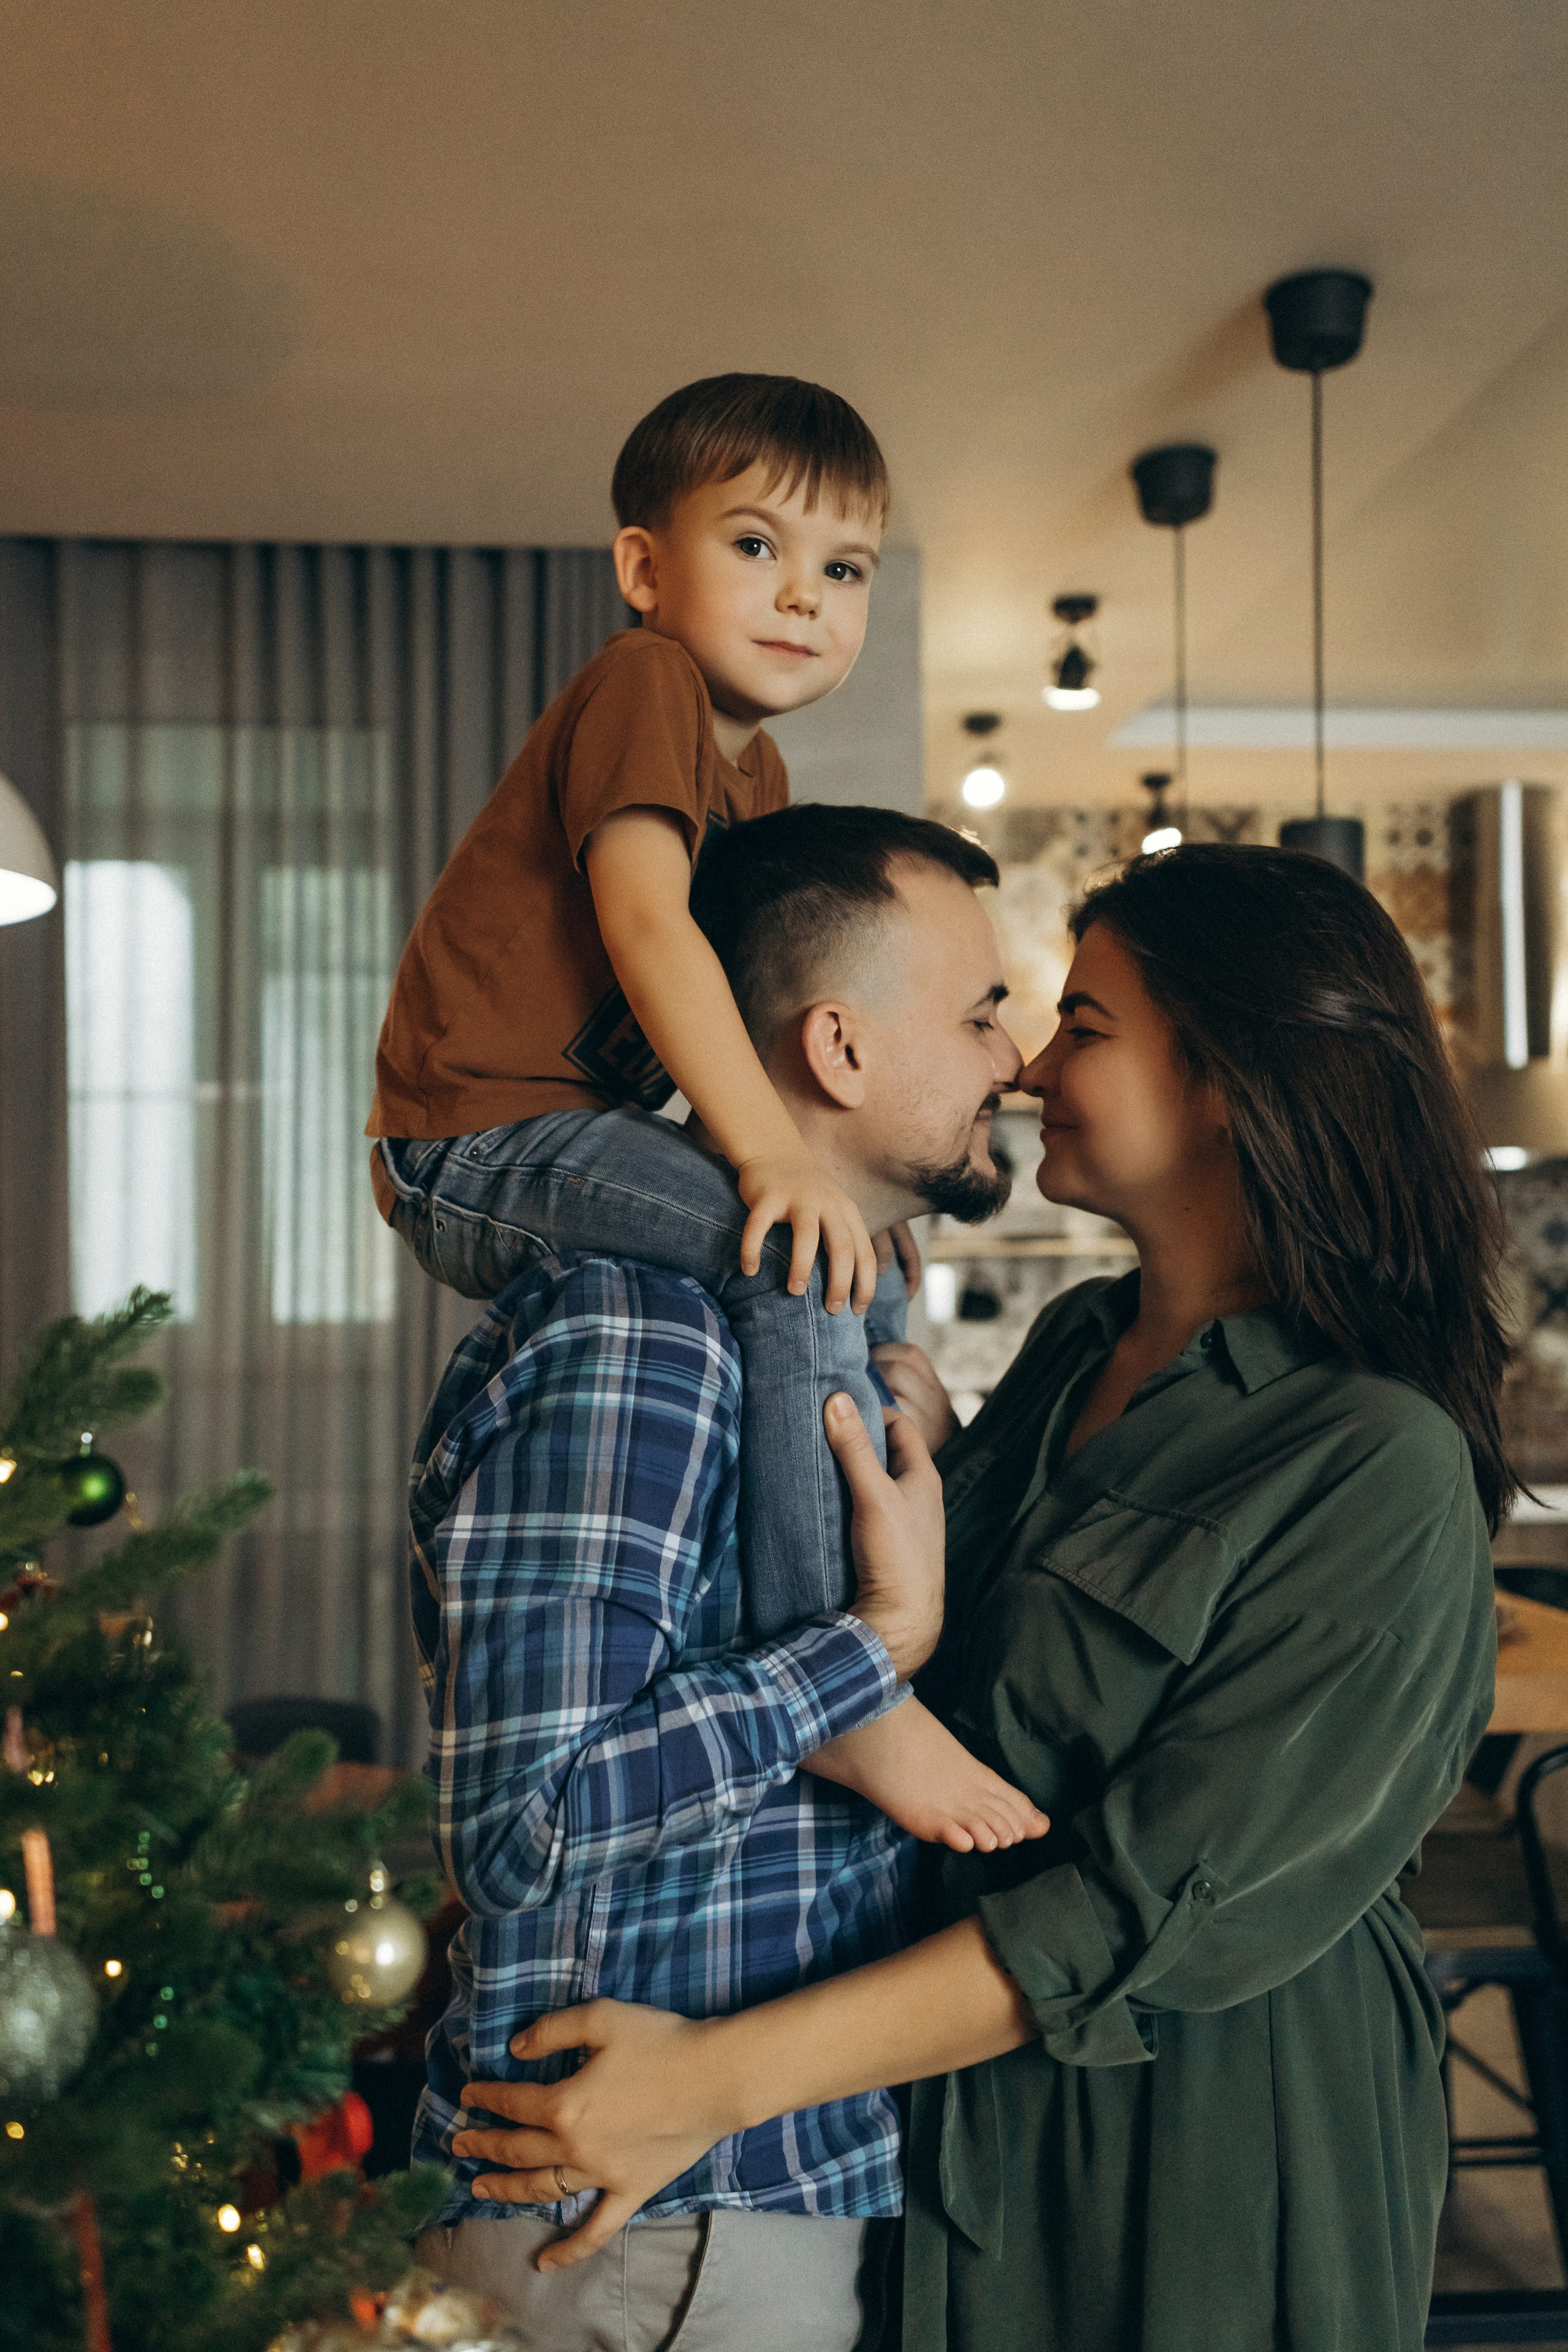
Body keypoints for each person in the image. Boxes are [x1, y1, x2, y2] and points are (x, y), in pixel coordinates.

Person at [450, 843, 1507, 2352]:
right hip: (939, 2115)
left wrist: (713, 2079)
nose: (1024, 1067)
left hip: (1199, 2138)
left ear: (1223, 1080)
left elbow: (1135, 1911)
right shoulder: (1080, 1347)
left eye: (1080, 1026)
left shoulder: (1371, 1457)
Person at [410, 805, 1046, 2350]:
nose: (1012, 1054)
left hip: (724, 2200)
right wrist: (875, 1645)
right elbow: (520, 1827)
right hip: (642, 2230)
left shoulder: (824, 1336)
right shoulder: (646, 1333)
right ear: (833, 1047)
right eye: (977, 1011)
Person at [369, 373, 1001, 1844]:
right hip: (472, 1140)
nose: (804, 598)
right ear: (647, 568)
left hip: (555, 1137)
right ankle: (842, 1690)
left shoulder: (755, 772)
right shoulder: (642, 684)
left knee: (851, 1254)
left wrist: (839, 1201)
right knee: (780, 1243)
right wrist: (778, 1160)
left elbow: (757, 991)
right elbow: (654, 934)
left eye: (841, 569)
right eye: (755, 548)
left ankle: (898, 1487)